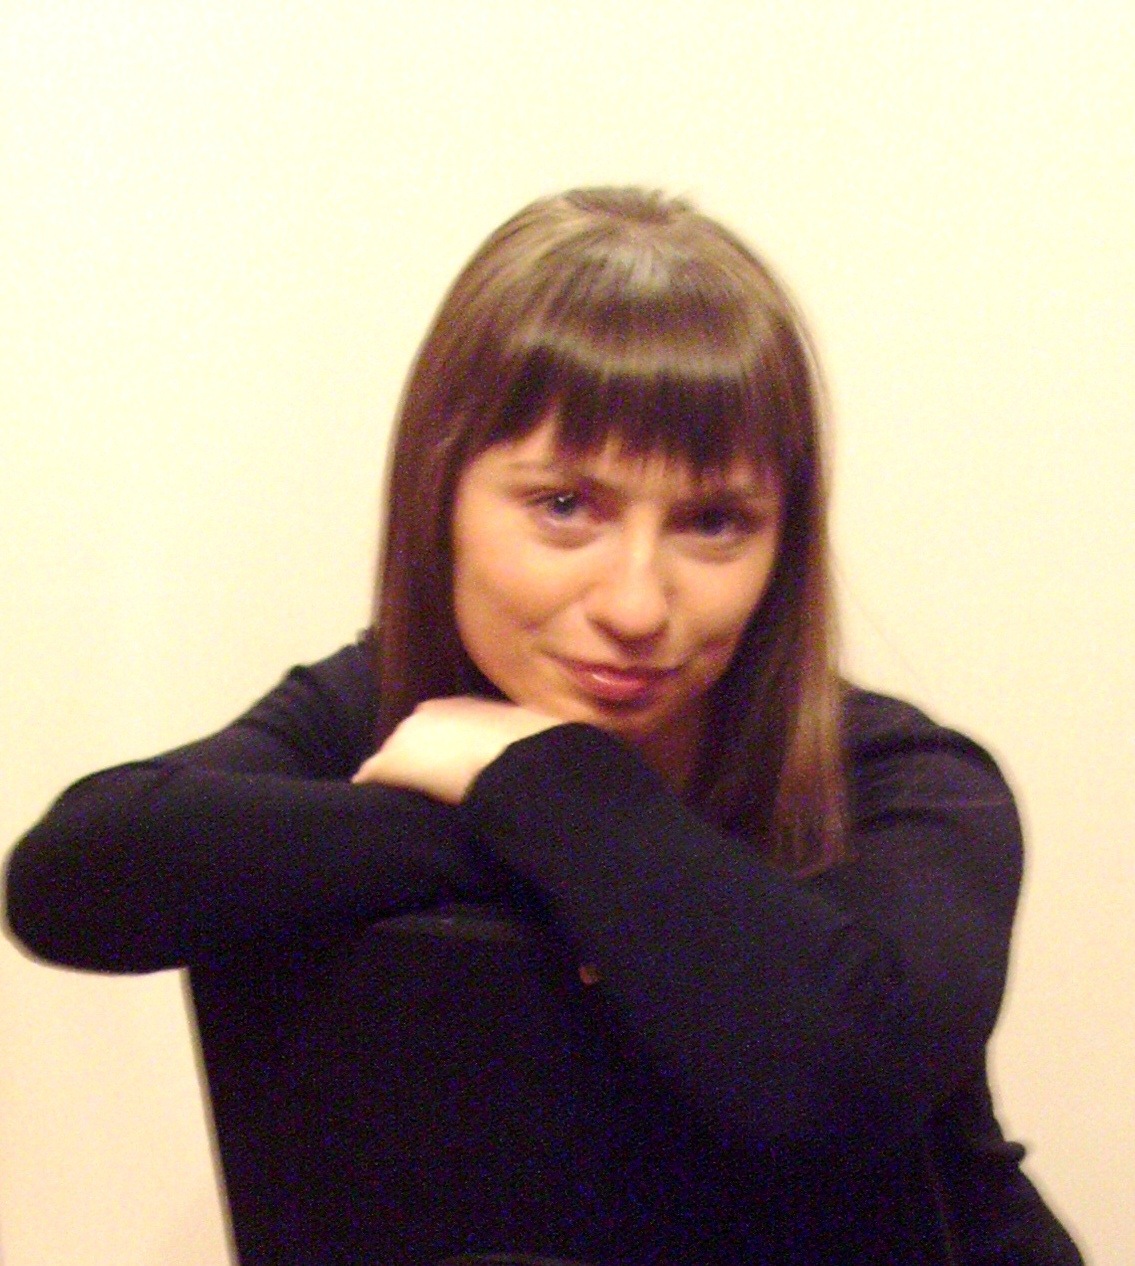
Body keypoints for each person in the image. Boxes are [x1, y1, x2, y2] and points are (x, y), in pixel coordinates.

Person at [5, 188, 1082, 1265]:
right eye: (565, 507)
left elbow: (832, 1082)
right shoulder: (376, 710)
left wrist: (539, 783)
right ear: (441, 497)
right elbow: (73, 878)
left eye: (713, 522)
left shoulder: (902, 781)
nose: (636, 606)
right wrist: (514, 819)